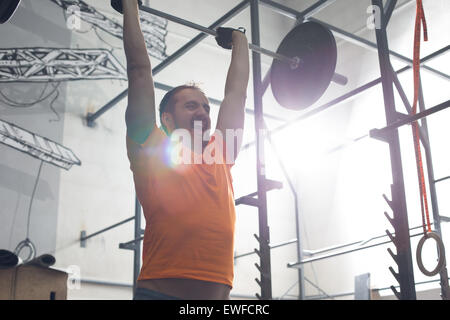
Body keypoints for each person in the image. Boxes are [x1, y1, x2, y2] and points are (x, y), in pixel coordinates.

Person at [121, 0, 249, 300]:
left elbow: (237, 95)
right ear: (167, 118)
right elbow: (139, 71)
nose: (203, 112)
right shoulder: (149, 147)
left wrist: (239, 40)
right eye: (191, 105)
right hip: (159, 294)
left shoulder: (222, 151)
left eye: (206, 106)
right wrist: (130, 6)